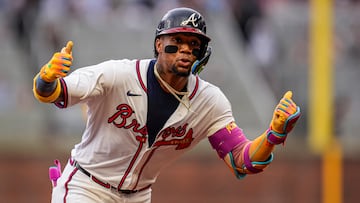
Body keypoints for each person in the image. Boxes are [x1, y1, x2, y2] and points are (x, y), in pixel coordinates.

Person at [32, 7, 301, 203]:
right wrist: (46, 78)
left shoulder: (209, 101)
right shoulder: (118, 75)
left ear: (202, 54)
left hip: (138, 197)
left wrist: (274, 134)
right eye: (178, 41)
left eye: (194, 44)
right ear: (159, 44)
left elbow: (242, 160)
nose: (185, 49)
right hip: (87, 187)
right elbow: (56, 93)